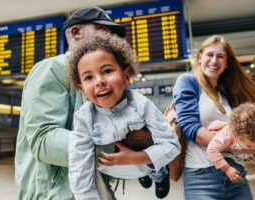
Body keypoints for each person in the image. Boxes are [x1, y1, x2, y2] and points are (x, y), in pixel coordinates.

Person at [14, 6, 151, 199]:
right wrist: (115, 145)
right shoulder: (52, 69)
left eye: (112, 37)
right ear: (76, 32)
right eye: (102, 32)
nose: (108, 41)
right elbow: (44, 141)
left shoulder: (100, 82)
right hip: (55, 193)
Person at [67, 32, 180, 199]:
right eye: (89, 77)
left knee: (153, 164)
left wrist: (136, 158)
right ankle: (144, 173)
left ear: (126, 76)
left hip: (147, 163)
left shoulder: (141, 105)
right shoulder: (84, 117)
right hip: (116, 172)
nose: (99, 81)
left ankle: (159, 175)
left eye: (107, 70)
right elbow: (79, 166)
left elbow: (172, 145)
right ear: (82, 89)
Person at [173, 35, 255, 199]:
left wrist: (249, 149)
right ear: (200, 57)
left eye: (220, 56)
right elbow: (188, 127)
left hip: (236, 174)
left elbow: (236, 133)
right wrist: (236, 147)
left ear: (227, 63)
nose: (214, 61)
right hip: (202, 177)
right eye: (209, 54)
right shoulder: (188, 82)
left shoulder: (225, 94)